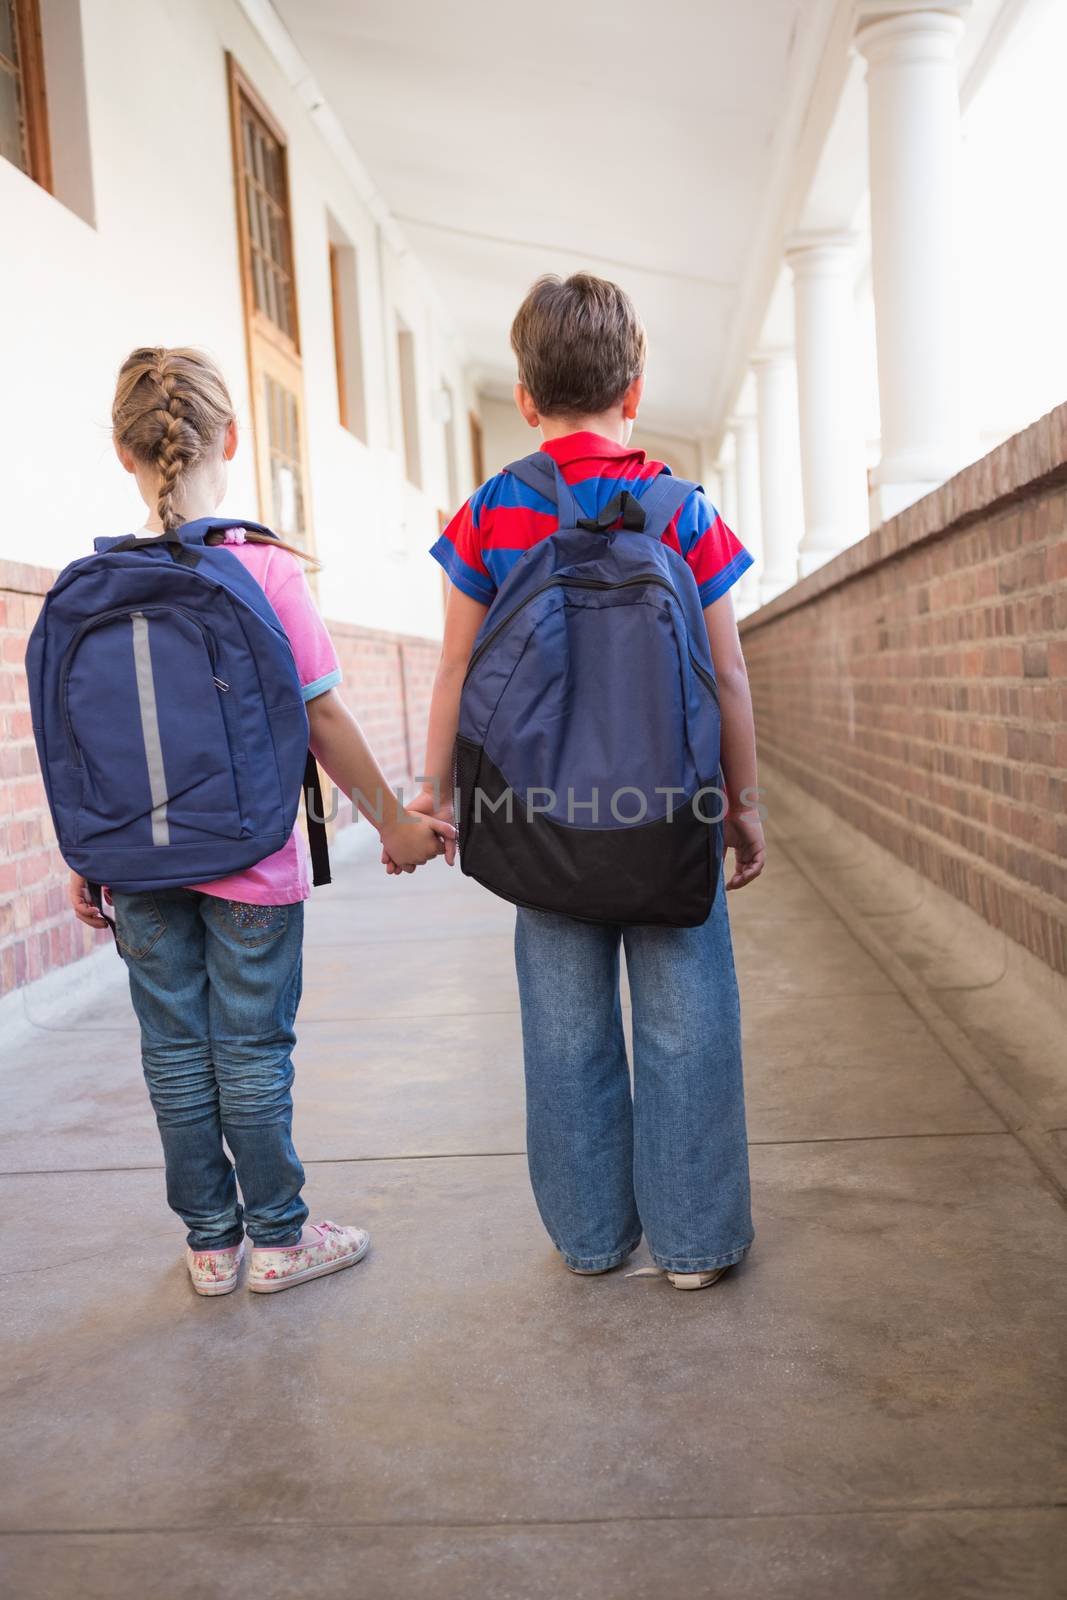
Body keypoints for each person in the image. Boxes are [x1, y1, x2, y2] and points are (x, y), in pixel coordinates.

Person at [69, 347, 452, 1296]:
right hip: (250, 866)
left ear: (124, 453)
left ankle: (209, 1245)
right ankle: (280, 1236)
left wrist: (88, 853)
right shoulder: (265, 569)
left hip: (139, 867)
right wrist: (396, 824)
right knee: (248, 1049)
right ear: (232, 441)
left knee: (173, 1052)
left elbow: (82, 741)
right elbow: (322, 716)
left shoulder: (99, 586)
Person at [411, 274, 764, 1290]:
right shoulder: (682, 511)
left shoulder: (487, 514)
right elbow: (727, 675)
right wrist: (741, 810)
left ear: (524, 399)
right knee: (686, 1023)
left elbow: (453, 671)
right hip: (667, 809)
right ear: (636, 388)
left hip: (539, 817)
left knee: (564, 1033)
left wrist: (434, 796)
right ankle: (693, 1245)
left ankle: (590, 1238)